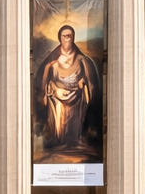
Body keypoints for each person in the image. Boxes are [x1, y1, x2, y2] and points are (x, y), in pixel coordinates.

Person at [36, 23, 102, 157]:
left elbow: (90, 84)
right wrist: (46, 94)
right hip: (57, 100)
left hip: (76, 100)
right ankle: (57, 144)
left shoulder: (82, 60)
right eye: (64, 36)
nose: (67, 39)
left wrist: (84, 87)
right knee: (58, 129)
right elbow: (44, 85)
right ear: (60, 38)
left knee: (74, 130)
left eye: (69, 36)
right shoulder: (52, 64)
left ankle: (75, 142)